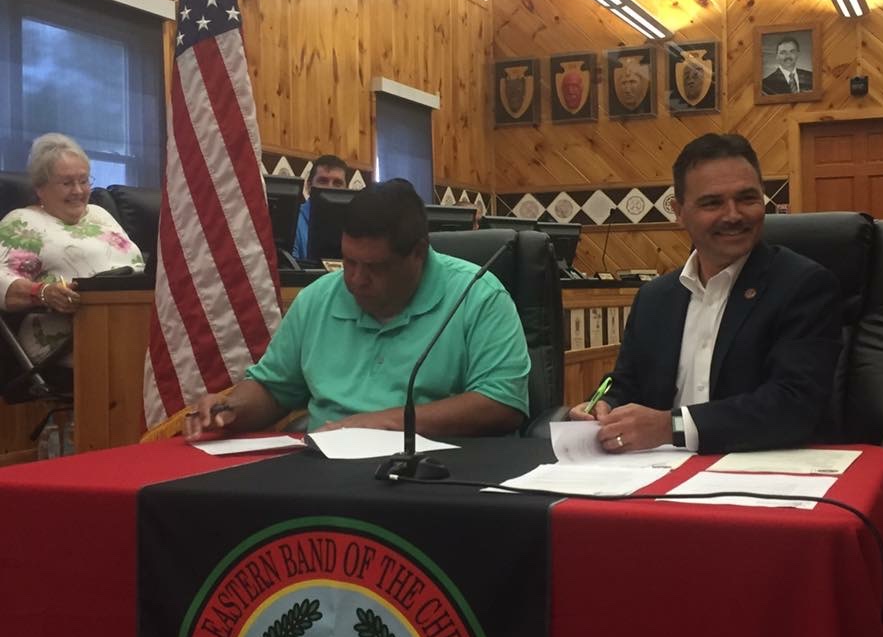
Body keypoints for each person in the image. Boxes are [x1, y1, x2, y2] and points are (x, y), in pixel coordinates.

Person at [189, 178, 530, 437]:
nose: (355, 279)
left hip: (432, 476)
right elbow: (273, 389)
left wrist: (381, 423)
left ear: (418, 253)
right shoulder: (319, 298)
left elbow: (501, 403)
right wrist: (232, 408)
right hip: (323, 471)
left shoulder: (478, 295)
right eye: (349, 262)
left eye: (375, 268)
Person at [569, 133, 842, 454]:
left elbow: (794, 406)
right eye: (713, 202)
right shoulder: (655, 298)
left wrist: (672, 427)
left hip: (763, 471)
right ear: (679, 211)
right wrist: (603, 403)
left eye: (747, 198)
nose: (733, 215)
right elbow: (625, 382)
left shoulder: (803, 285)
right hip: (656, 474)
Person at [0, 133, 145, 367]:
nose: (78, 191)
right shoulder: (23, 222)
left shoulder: (100, 215)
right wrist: (44, 293)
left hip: (126, 323)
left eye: (84, 180)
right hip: (64, 338)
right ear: (40, 188)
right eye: (67, 183)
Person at [292, 154, 349, 260]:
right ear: (308, 186)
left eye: (337, 183)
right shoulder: (292, 219)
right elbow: (291, 268)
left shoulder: (353, 222)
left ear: (347, 188)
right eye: (323, 181)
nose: (330, 188)